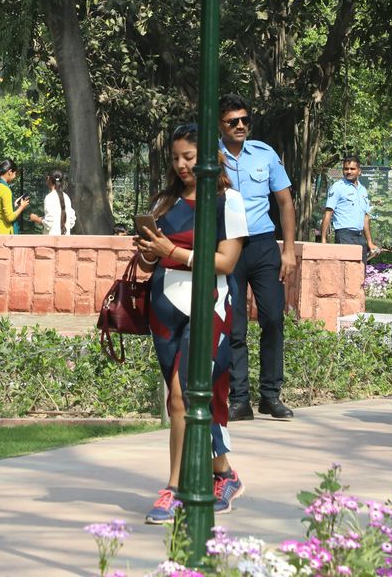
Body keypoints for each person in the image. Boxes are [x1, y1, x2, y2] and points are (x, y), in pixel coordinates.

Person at [135, 123, 248, 522]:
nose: (182, 165)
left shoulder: (228, 201)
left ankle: (175, 488)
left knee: (188, 394)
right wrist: (150, 251)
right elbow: (148, 262)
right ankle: (223, 473)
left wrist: (174, 252)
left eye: (189, 157)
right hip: (164, 305)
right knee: (176, 398)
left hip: (209, 303)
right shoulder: (164, 202)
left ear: (209, 158)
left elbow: (227, 262)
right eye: (176, 158)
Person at [219, 94, 298, 422]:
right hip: (228, 246)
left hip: (264, 245)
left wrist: (288, 250)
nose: (240, 126)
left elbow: (285, 202)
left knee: (273, 319)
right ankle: (239, 400)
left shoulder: (264, 154)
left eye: (245, 120)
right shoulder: (210, 156)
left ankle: (270, 395)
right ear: (220, 124)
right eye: (233, 121)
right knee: (235, 326)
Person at [320, 155, 375, 261]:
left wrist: (369, 242)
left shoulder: (363, 190)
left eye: (352, 169)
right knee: (346, 268)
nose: (349, 171)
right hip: (344, 236)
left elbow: (365, 217)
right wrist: (323, 240)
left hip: (359, 237)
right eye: (346, 169)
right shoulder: (337, 187)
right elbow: (328, 214)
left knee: (361, 269)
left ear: (359, 171)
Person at [0, 159, 30, 235]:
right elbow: (10, 217)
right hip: (4, 234)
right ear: (10, 172)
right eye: (15, 173)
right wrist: (21, 207)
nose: (15, 176)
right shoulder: (5, 190)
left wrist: (14, 204)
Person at [30, 169, 77, 236]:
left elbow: (49, 223)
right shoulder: (66, 197)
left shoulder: (49, 197)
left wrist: (36, 219)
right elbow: (71, 220)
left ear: (48, 178)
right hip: (66, 238)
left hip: (52, 239)